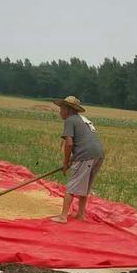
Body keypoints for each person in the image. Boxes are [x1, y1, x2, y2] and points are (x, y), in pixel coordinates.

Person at [51, 95, 104, 223]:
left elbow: (69, 143)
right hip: (98, 154)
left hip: (86, 155)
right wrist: (72, 160)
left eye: (61, 109)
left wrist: (65, 162)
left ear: (68, 110)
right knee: (84, 187)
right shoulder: (82, 119)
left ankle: (63, 216)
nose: (60, 112)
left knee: (72, 186)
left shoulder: (70, 120)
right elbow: (84, 142)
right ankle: (80, 214)